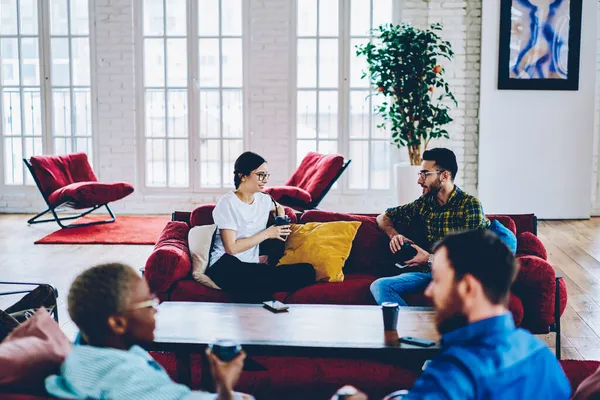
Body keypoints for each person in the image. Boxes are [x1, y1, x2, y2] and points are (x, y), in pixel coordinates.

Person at [334, 230, 571, 399]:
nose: (429, 291)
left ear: (468, 287)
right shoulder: (542, 356)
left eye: (438, 281)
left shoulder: (455, 373)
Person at [45, 263, 253, 400]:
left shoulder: (83, 352)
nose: (155, 309)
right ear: (118, 324)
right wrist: (224, 386)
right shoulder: (129, 380)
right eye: (148, 303)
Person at [370, 148, 491, 306]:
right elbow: (383, 216)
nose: (419, 180)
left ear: (445, 175)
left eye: (425, 174)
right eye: (420, 174)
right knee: (380, 286)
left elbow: (471, 258)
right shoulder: (425, 203)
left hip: (458, 275)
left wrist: (428, 259)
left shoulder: (470, 205)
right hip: (429, 273)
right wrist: (394, 235)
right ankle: (412, 327)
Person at [206, 151, 315, 302]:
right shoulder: (227, 203)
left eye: (267, 175)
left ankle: (258, 287)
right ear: (242, 176)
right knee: (256, 283)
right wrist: (268, 233)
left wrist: (280, 221)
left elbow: (279, 208)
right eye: (260, 175)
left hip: (250, 266)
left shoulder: (264, 200)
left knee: (307, 271)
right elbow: (232, 248)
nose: (265, 180)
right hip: (224, 264)